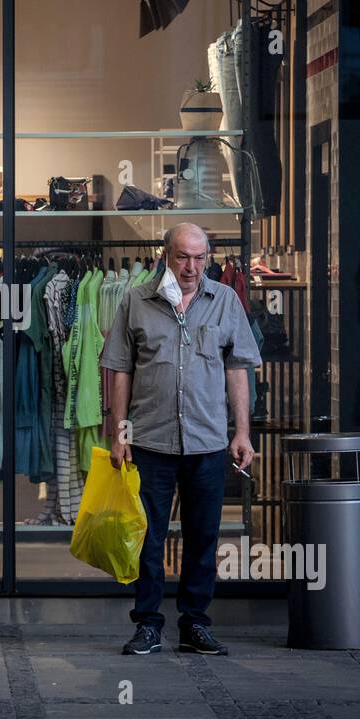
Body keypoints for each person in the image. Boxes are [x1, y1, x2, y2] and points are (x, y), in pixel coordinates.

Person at [99, 223, 261, 655]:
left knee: (203, 536)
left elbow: (238, 368)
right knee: (148, 537)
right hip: (150, 442)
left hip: (207, 442)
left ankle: (194, 624)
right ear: (164, 255)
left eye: (199, 258)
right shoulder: (136, 300)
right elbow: (119, 370)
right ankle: (148, 623)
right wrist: (119, 434)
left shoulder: (225, 300)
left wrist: (242, 432)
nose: (191, 267)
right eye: (182, 257)